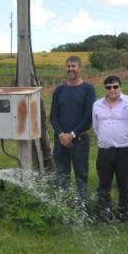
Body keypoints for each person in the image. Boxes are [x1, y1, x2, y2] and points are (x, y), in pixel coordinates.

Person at [92, 76, 128, 222]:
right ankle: (103, 216)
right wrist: (106, 139)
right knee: (103, 185)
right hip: (104, 151)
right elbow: (96, 127)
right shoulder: (97, 105)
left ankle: (123, 216)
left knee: (124, 184)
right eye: (108, 87)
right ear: (105, 89)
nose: (112, 90)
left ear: (120, 86)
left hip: (124, 151)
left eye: (115, 86)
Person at [49, 55, 96, 204]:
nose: (70, 69)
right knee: (62, 174)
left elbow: (89, 116)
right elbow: (53, 116)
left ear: (80, 68)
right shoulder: (59, 90)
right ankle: (63, 205)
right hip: (60, 140)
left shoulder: (88, 89)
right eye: (68, 66)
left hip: (80, 140)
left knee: (81, 174)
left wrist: (72, 135)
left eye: (73, 66)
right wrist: (61, 134)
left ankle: (81, 206)